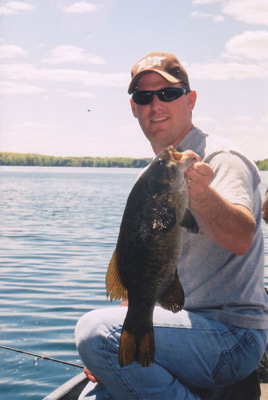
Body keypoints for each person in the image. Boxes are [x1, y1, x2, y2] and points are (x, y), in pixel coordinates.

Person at [75, 52, 268, 399]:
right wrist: (117, 342)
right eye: (143, 97)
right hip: (175, 328)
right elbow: (138, 261)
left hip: (231, 336)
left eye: (167, 93)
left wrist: (199, 192)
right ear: (134, 108)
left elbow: (242, 238)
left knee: (94, 331)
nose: (155, 104)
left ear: (190, 100)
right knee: (93, 391)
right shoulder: (153, 177)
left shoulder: (221, 158)